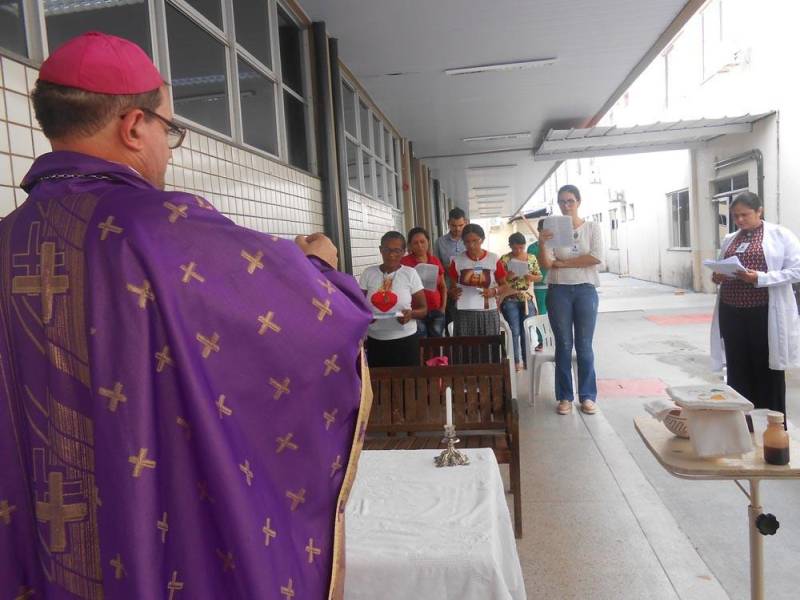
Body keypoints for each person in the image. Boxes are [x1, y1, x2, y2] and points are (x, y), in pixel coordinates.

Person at [0, 32, 371, 600]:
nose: (168, 149)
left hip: (40, 528)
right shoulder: (161, 226)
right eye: (167, 129)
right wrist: (317, 265)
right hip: (147, 532)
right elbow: (311, 322)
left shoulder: (5, 240)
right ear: (132, 126)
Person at [710, 191, 800, 419]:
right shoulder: (730, 239)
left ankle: (772, 425)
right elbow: (724, 267)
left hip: (763, 314)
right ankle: (744, 425)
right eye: (735, 216)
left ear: (759, 211)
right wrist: (719, 276)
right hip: (732, 313)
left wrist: (760, 278)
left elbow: (796, 271)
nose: (740, 220)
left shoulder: (780, 235)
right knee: (737, 368)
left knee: (767, 369)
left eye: (745, 215)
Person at [537, 184, 603, 416]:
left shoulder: (592, 227)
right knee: (563, 344)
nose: (566, 206)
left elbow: (595, 257)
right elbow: (547, 264)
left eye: (570, 201)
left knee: (584, 344)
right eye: (562, 201)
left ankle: (587, 396)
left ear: (578, 202)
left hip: (585, 289)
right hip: (559, 290)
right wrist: (543, 242)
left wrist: (563, 263)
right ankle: (564, 396)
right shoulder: (553, 229)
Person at [360, 231, 427, 367]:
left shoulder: (410, 273)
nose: (391, 255)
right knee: (380, 384)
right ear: (380, 250)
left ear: (404, 252)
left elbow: (423, 309)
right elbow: (358, 305)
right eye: (387, 250)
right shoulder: (369, 273)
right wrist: (365, 316)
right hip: (376, 341)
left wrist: (411, 314)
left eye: (397, 250)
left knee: (407, 384)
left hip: (406, 341)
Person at [448, 223, 508, 336]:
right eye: (467, 241)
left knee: (489, 348)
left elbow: (505, 285)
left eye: (475, 240)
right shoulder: (457, 261)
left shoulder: (493, 259)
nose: (471, 245)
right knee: (466, 348)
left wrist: (493, 291)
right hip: (464, 312)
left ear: (482, 240)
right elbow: (451, 288)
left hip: (488, 311)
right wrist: (453, 293)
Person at [500, 232, 542, 371]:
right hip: (510, 299)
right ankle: (516, 361)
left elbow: (539, 276)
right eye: (515, 248)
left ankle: (527, 360)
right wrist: (508, 276)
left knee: (526, 330)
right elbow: (498, 280)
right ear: (510, 246)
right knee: (514, 330)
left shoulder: (531, 258)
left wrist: (530, 276)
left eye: (521, 248)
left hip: (526, 298)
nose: (518, 251)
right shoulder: (504, 259)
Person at [401, 227, 447, 337]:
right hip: (415, 311)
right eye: (415, 243)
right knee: (421, 342)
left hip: (436, 311)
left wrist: (443, 308)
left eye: (422, 241)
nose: (420, 246)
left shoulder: (434, 260)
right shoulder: (404, 262)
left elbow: (443, 287)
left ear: (428, 242)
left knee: (436, 342)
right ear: (410, 245)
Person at [435, 207, 467, 331]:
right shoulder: (440, 242)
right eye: (453, 225)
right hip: (448, 289)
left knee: (465, 325)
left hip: (466, 288)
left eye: (460, 225)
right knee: (450, 324)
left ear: (466, 222)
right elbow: (436, 265)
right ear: (448, 223)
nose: (457, 229)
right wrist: (446, 268)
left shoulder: (469, 241)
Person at [527, 219, 549, 351]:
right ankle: (542, 341)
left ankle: (557, 339)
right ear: (539, 230)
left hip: (557, 285)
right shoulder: (532, 248)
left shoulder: (557, 246)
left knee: (559, 314)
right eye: (544, 229)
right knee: (541, 313)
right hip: (540, 286)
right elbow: (533, 267)